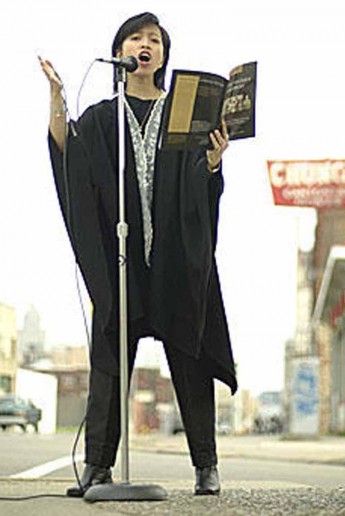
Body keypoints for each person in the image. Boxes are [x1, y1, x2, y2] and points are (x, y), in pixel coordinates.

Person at [39, 12, 237, 498]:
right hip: (121, 261)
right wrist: (58, 98)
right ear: (121, 50)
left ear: (164, 55)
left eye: (154, 39)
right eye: (135, 38)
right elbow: (69, 153)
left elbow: (201, 185)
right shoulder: (104, 116)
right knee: (109, 357)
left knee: (189, 356)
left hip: (175, 257)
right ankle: (98, 466)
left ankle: (206, 466)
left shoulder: (185, 114)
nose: (144, 45)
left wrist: (212, 162)